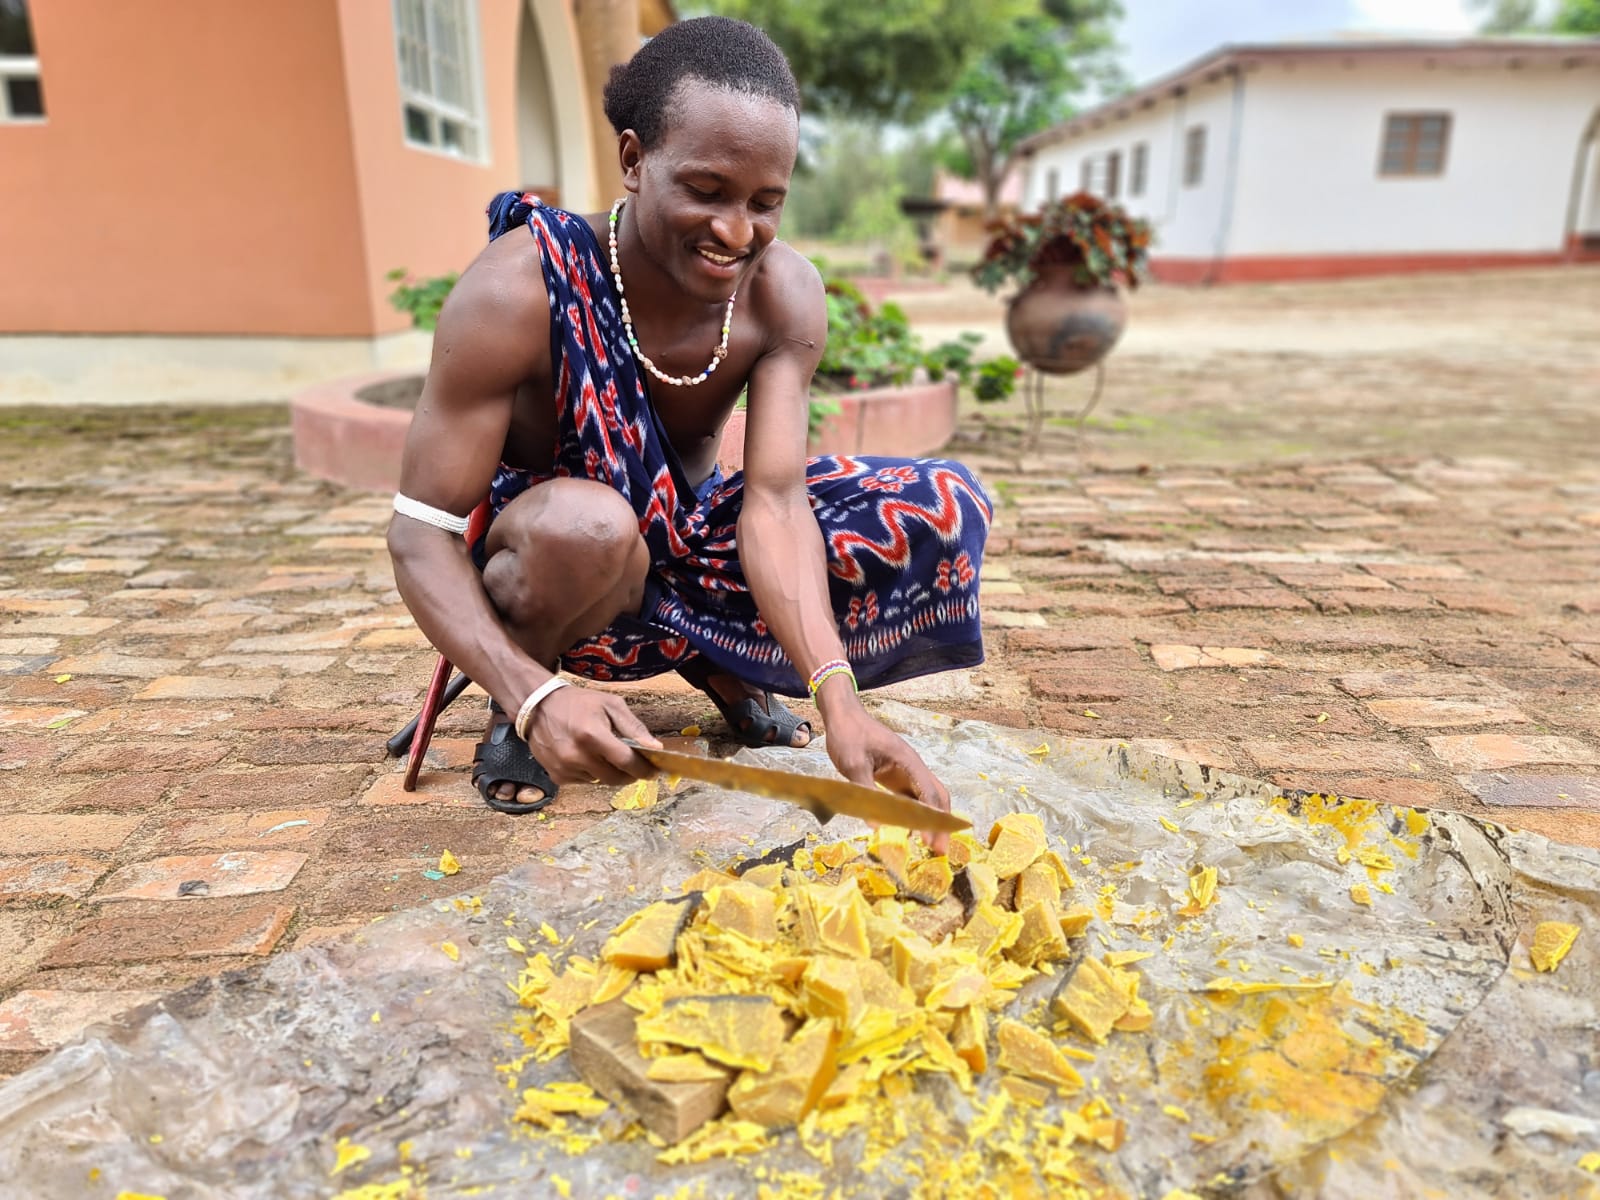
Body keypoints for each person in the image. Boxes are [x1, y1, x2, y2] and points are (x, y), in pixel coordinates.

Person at [386, 17, 991, 850]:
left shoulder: (782, 294)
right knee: (590, 523)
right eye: (706, 192)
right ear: (634, 162)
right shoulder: (516, 291)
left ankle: (727, 660)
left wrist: (839, 698)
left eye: (765, 202)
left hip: (686, 541)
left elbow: (775, 502)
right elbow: (420, 533)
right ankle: (516, 709)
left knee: (939, 501)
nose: (737, 233)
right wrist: (534, 693)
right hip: (565, 563)